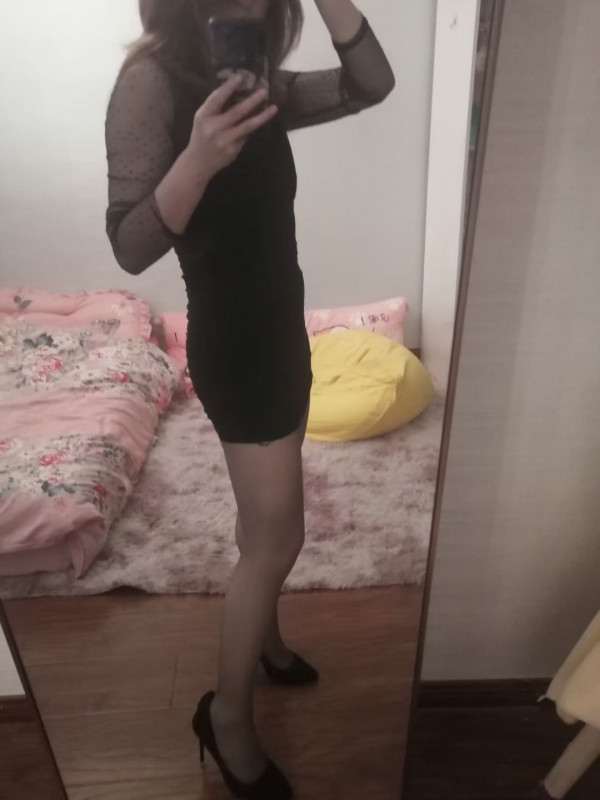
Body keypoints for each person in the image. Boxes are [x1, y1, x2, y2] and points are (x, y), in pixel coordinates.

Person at [105, 1, 394, 796]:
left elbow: (372, 84)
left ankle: (265, 643)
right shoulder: (151, 84)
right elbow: (129, 244)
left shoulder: (257, 83)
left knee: (261, 519)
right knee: (277, 538)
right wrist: (198, 157)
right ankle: (226, 717)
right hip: (236, 345)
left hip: (282, 327)